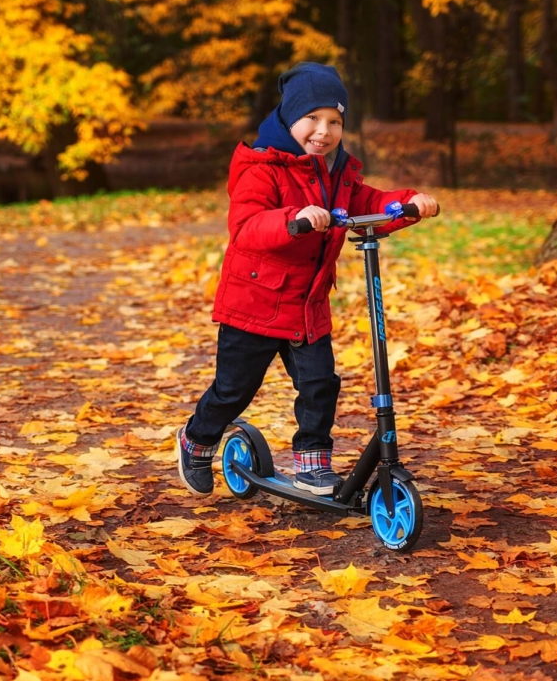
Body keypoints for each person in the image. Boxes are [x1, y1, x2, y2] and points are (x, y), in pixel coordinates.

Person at [176, 62, 439, 497]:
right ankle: (198, 438)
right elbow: (247, 226)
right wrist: (293, 218)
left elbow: (369, 201)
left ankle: (312, 464)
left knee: (320, 385)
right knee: (234, 389)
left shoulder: (338, 173)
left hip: (306, 305)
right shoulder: (262, 167)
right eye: (312, 118)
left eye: (335, 121)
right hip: (254, 304)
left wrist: (409, 203)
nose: (323, 130)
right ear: (289, 118)